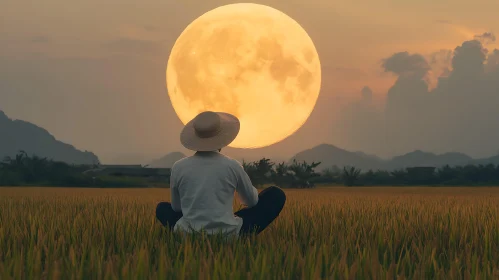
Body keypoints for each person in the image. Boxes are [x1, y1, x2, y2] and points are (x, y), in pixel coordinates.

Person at [156, 111, 286, 237]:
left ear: (195, 138)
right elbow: (251, 202)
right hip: (230, 234)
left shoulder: (178, 167)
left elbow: (177, 208)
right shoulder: (232, 165)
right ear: (222, 139)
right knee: (276, 194)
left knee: (162, 208)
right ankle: (228, 224)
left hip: (187, 233)